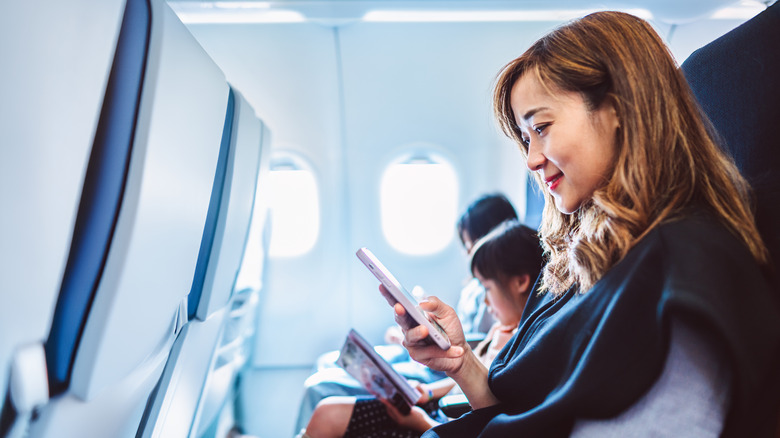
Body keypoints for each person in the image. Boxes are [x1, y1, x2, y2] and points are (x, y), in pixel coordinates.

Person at [392, 11, 780, 438]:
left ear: (617, 109)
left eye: (541, 128)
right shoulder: (580, 259)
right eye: (525, 139)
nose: (531, 159)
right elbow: (520, 412)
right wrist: (461, 359)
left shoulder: (682, 266)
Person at [293, 194, 519, 433]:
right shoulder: (483, 298)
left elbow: (479, 364)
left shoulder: (505, 312)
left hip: (440, 379)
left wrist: (433, 393)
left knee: (320, 388)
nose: (467, 252)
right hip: (442, 373)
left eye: (470, 242)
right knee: (327, 366)